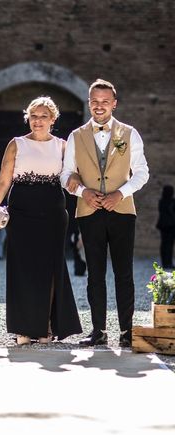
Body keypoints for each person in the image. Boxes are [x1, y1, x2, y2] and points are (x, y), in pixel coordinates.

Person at [61, 79, 149, 347]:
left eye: (105, 102)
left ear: (114, 103)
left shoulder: (129, 133)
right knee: (95, 273)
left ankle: (127, 332)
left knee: (124, 273)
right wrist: (82, 193)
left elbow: (142, 172)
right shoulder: (76, 136)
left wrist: (119, 194)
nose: (100, 106)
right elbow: (65, 174)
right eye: (95, 101)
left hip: (122, 210)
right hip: (88, 211)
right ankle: (98, 330)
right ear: (89, 103)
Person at [0, 96, 82, 345]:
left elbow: (74, 175)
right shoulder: (16, 144)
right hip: (21, 211)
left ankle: (46, 328)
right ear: (27, 118)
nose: (37, 121)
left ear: (53, 119)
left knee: (51, 268)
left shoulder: (63, 146)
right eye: (33, 116)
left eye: (43, 116)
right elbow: (3, 180)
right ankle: (23, 329)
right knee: (22, 267)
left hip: (52, 211)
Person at [156, 185, 175, 268]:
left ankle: (166, 263)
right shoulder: (171, 202)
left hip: (164, 225)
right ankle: (168, 263)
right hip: (170, 226)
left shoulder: (162, 201)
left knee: (165, 245)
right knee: (168, 245)